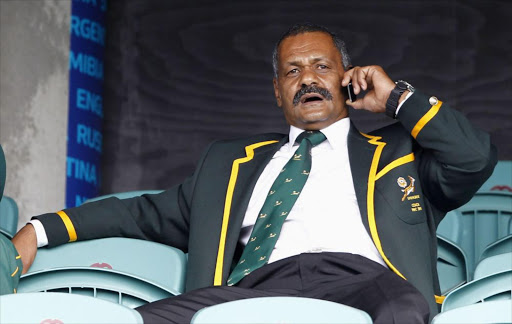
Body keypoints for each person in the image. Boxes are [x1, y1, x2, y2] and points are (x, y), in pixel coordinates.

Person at [12, 24, 496, 323]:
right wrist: (40, 229)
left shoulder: (397, 151)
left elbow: (474, 158)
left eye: (322, 66)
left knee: (403, 310)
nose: (307, 78)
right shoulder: (228, 163)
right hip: (249, 288)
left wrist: (395, 98)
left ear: (346, 78)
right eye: (292, 71)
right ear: (277, 91)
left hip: (365, 280)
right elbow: (140, 213)